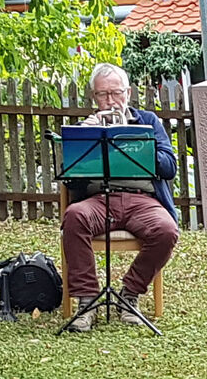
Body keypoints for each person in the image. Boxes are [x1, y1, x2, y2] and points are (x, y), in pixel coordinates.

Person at [58, 63, 180, 332]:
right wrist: (85, 140)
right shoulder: (86, 127)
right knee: (75, 217)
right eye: (103, 95)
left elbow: (169, 166)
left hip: (142, 199)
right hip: (99, 199)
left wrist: (135, 142)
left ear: (128, 93)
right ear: (94, 97)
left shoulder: (147, 121)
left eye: (116, 93)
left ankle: (129, 294)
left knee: (166, 230)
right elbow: (72, 177)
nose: (110, 101)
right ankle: (87, 301)